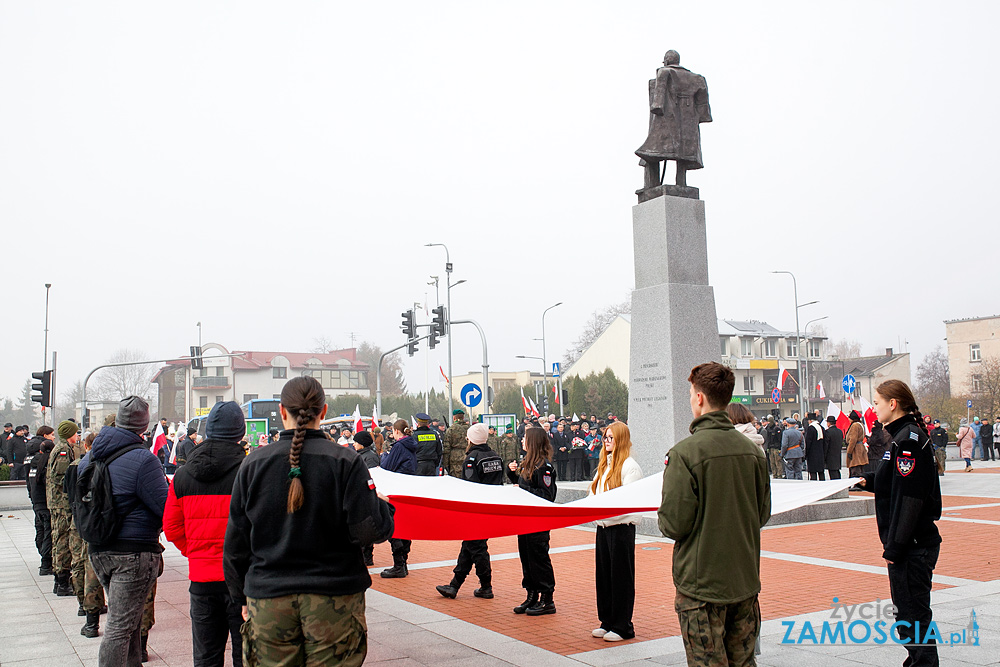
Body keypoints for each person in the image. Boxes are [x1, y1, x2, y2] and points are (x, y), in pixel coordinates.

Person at [224, 376, 393, 666]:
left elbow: (236, 543)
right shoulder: (345, 461)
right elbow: (368, 531)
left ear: (282, 411)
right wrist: (383, 509)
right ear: (323, 412)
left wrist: (240, 596)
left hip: (268, 597)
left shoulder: (252, 464)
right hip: (334, 597)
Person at [658, 362, 770, 667]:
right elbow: (762, 514)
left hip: (702, 587)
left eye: (690, 393)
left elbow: (674, 524)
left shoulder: (684, 454)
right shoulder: (754, 452)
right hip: (744, 580)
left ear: (699, 398)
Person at [78, 396, 169, 667]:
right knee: (120, 627)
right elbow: (165, 506)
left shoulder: (90, 456)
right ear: (144, 424)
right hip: (132, 553)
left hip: (98, 550)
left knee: (128, 622)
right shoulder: (144, 460)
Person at [857, 380, 942, 667]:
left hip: (913, 546)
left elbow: (910, 499)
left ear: (893, 404)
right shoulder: (902, 436)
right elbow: (892, 478)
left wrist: (895, 549)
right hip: (913, 544)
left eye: (878, 402)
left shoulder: (907, 440)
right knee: (910, 618)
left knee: (913, 621)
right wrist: (865, 480)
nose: (874, 407)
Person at [164, 401, 248, 667]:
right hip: (243, 579)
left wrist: (196, 551)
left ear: (208, 431)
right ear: (240, 433)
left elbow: (172, 526)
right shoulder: (250, 472)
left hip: (202, 579)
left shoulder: (183, 475)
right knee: (246, 655)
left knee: (206, 656)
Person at [436, 423, 504, 600]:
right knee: (469, 546)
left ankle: (486, 586)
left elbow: (470, 486)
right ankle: (454, 585)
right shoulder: (495, 456)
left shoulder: (472, 458)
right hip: (492, 508)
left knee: (477, 548)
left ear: (472, 439)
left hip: (476, 510)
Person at [588, 421, 642, 642]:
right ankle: (607, 620)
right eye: (605, 438)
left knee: (621, 577)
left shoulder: (630, 467)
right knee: (604, 576)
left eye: (611, 438)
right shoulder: (604, 466)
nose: (607, 442)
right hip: (603, 528)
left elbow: (628, 502)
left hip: (621, 528)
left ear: (621, 439)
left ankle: (623, 625)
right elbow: (593, 495)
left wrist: (601, 513)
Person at [507, 427, 557, 616]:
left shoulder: (544, 467)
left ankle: (547, 599)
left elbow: (547, 495)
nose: (522, 441)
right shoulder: (528, 463)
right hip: (525, 520)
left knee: (539, 559)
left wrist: (521, 490)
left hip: (538, 521)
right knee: (526, 558)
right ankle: (531, 594)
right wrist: (511, 473)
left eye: (525, 439)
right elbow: (523, 483)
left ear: (533, 442)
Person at [66, 430, 108, 638]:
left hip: (80, 521)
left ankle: (86, 611)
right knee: (93, 568)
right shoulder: (109, 465)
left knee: (81, 562)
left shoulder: (76, 466)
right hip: (101, 523)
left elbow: (69, 495)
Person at [379, 419, 418, 579]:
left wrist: (384, 457)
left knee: (395, 526)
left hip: (396, 489)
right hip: (408, 489)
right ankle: (404, 562)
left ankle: (399, 565)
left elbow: (387, 467)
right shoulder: (411, 445)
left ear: (396, 431)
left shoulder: (399, 447)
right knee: (405, 526)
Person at [47, 420, 80, 597]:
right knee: (62, 541)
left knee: (60, 539)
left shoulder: (63, 447)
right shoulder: (63, 450)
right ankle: (61, 581)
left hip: (60, 503)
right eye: (75, 433)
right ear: (69, 434)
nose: (78, 436)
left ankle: (60, 581)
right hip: (62, 504)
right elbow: (61, 478)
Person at [25, 425, 55, 577]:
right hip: (45, 500)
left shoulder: (30, 456)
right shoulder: (45, 460)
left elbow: (28, 479)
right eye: (52, 435)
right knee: (48, 530)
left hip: (36, 499)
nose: (54, 437)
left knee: (40, 528)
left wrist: (32, 496)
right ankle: (46, 562)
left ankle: (43, 555)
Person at [352, 431, 381, 567]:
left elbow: (371, 477)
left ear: (362, 444)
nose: (353, 444)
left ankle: (367, 556)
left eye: (356, 442)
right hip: (359, 495)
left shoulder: (370, 457)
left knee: (366, 526)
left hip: (366, 496)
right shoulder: (360, 456)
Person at [442, 409, 470, 477]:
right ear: (463, 418)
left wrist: (445, 464)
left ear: (454, 417)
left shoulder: (451, 429)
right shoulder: (470, 428)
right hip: (468, 455)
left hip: (455, 458)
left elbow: (446, 448)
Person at [803, 413, 826, 481]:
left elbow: (808, 442)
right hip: (821, 452)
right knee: (821, 472)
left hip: (812, 454)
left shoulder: (811, 428)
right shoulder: (822, 428)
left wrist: (806, 453)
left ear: (810, 420)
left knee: (813, 473)